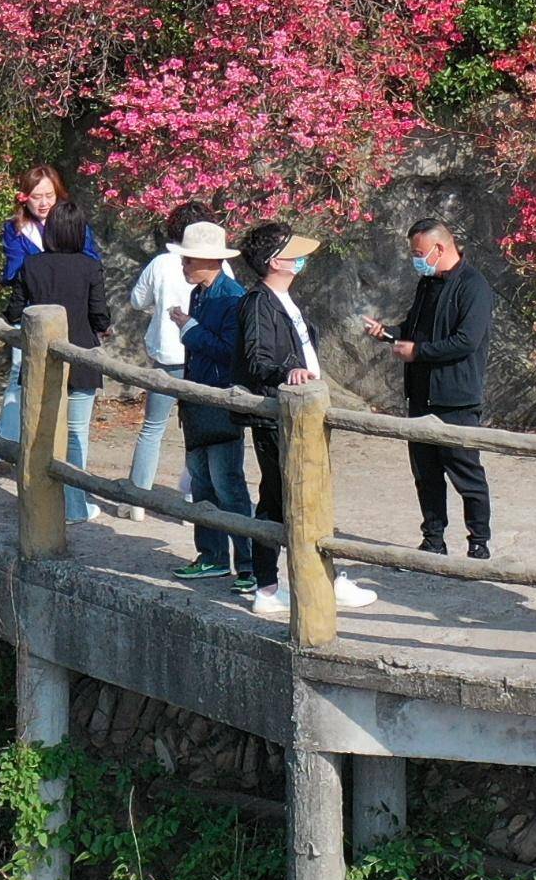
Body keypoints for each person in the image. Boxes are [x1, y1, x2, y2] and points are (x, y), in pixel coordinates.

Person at [231, 223, 376, 621]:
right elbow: (257, 358)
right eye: (293, 252)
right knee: (287, 499)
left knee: (292, 497)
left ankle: (289, 582)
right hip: (279, 419)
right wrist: (287, 372)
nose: (301, 258)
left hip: (300, 417)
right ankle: (273, 586)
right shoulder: (259, 302)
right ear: (275, 261)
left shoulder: (284, 299)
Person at [373, 221, 497, 560]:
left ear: (439, 248)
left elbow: (465, 341)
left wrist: (417, 352)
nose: (416, 260)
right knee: (425, 475)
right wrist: (388, 334)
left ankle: (478, 542)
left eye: (418, 253)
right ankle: (433, 540)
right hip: (421, 397)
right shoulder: (426, 284)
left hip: (456, 399)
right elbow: (413, 329)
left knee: (466, 473)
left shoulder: (474, 287)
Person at [14, 198, 117, 521]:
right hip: (82, 356)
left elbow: (15, 310)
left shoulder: (31, 265)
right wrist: (104, 327)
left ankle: (37, 501)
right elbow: (99, 314)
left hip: (41, 358)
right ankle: (75, 505)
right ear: (79, 232)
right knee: (75, 433)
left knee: (39, 431)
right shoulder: (90, 266)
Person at [170, 223, 255, 579]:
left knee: (228, 485)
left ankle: (249, 566)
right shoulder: (201, 294)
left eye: (188, 259)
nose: (184, 265)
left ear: (208, 260)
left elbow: (229, 353)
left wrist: (190, 329)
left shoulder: (232, 298)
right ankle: (212, 556)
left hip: (220, 402)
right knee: (202, 483)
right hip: (197, 401)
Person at [125, 205, 222, 494]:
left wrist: (160, 305)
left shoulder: (161, 263)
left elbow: (136, 301)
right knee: (198, 430)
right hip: (202, 357)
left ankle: (136, 497)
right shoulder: (219, 265)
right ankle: (192, 495)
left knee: (153, 427)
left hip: (168, 356)